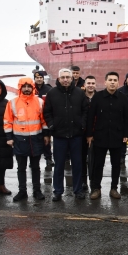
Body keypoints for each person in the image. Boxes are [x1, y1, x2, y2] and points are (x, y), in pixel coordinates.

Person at [43, 68, 88, 201]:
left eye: (68, 77)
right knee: (59, 165)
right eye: (63, 77)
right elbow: (47, 112)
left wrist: (82, 124)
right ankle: (58, 191)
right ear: (59, 79)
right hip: (59, 136)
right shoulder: (52, 93)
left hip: (76, 135)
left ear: (72, 78)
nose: (66, 79)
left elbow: (85, 111)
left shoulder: (80, 93)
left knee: (77, 164)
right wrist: (52, 126)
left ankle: (78, 190)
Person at [3, 77, 49, 201]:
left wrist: (46, 135)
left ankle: (37, 191)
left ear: (33, 87)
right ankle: (22, 191)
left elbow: (44, 120)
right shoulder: (12, 103)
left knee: (36, 167)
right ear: (20, 87)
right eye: (24, 86)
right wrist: (9, 138)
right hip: (19, 140)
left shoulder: (39, 102)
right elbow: (7, 121)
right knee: (21, 168)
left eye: (29, 86)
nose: (27, 89)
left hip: (36, 139)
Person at [86, 72, 128, 199]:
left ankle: (114, 188)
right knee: (98, 164)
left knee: (116, 164)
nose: (112, 82)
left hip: (117, 136)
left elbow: (127, 118)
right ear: (105, 82)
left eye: (115, 80)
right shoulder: (97, 97)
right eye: (110, 80)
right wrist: (89, 135)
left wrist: (126, 134)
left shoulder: (123, 98)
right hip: (100, 136)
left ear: (118, 82)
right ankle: (96, 188)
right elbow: (90, 117)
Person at [34, 71, 54, 167]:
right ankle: (33, 160)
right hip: (34, 119)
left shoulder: (49, 89)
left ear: (43, 78)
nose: (39, 79)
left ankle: (48, 158)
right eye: (37, 78)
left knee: (47, 140)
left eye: (40, 77)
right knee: (34, 140)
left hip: (46, 118)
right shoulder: (31, 89)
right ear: (34, 79)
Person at [81, 75, 97, 191]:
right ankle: (83, 182)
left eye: (93, 83)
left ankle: (93, 182)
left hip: (96, 134)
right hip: (82, 133)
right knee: (81, 159)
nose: (90, 85)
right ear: (84, 85)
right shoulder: (80, 97)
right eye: (88, 83)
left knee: (95, 160)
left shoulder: (99, 98)